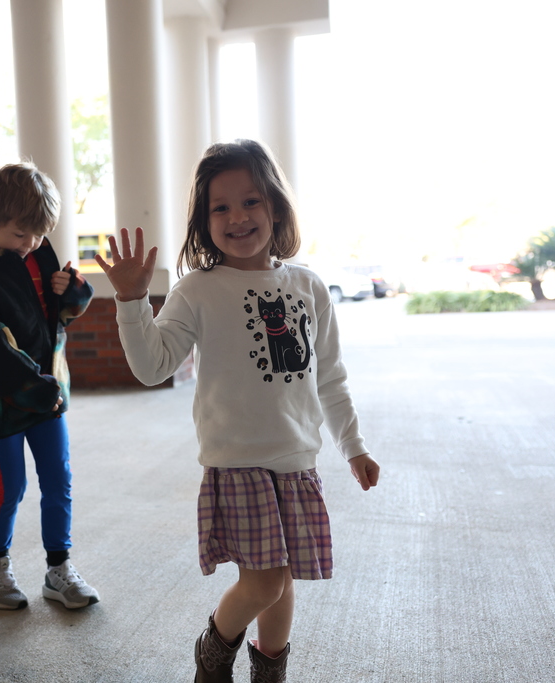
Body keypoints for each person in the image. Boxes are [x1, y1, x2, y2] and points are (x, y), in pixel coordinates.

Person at [94, 139, 381, 682]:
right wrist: (132, 301)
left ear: (275, 205)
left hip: (296, 461)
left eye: (250, 201)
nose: (237, 216)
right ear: (204, 222)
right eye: (219, 207)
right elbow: (153, 366)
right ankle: (215, 647)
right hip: (238, 462)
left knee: (284, 577)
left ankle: (269, 671)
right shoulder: (198, 289)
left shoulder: (308, 286)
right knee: (263, 582)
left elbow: (330, 377)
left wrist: (355, 446)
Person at [0, 163, 99, 610]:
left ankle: (59, 568)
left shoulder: (40, 253)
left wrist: (73, 292)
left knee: (58, 478)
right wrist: (36, 387)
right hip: (1, 402)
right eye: (20, 235)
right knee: (10, 484)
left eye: (38, 234)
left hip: (46, 394)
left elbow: (59, 319)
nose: (30, 244)